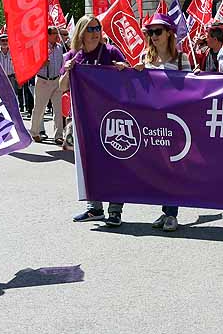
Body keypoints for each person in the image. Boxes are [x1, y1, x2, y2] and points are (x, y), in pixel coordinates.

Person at [65, 15, 131, 226]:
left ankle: (115, 210)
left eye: (98, 28)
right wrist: (68, 70)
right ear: (81, 32)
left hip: (112, 116)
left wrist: (124, 69)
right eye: (91, 29)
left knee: (115, 162)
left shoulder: (111, 52)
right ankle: (94, 208)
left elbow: (129, 77)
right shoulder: (74, 55)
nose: (95, 33)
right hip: (86, 118)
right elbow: (62, 86)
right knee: (90, 162)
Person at [132, 12, 189, 233]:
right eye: (150, 32)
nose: (153, 36)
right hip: (152, 123)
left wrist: (194, 77)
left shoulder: (181, 59)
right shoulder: (145, 58)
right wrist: (132, 72)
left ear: (169, 33)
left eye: (157, 31)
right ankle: (165, 210)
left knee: (173, 168)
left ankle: (172, 213)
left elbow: (192, 89)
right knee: (159, 169)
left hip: (176, 121)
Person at [30, 25, 67, 148]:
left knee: (58, 109)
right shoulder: (41, 47)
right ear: (48, 35)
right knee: (39, 108)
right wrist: (42, 64)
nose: (58, 36)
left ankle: (58, 135)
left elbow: (62, 63)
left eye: (58, 33)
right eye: (55, 33)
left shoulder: (59, 47)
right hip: (43, 81)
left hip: (56, 81)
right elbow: (33, 64)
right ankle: (34, 132)